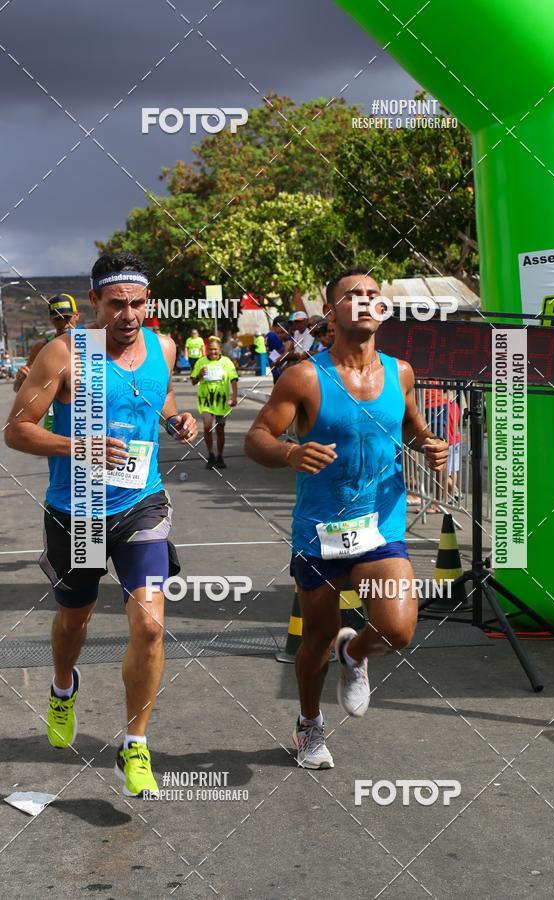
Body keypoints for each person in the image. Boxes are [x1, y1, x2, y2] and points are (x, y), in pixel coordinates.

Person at [4, 252, 198, 796]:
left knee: (151, 625)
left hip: (142, 505)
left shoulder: (163, 347)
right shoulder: (64, 354)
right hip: (79, 510)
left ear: (149, 303)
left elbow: (160, 401)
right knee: (74, 622)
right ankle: (63, 687)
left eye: (138, 303)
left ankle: (134, 745)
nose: (128, 314)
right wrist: (79, 444)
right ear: (95, 302)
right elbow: (16, 431)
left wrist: (178, 420)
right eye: (116, 304)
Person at [245, 266, 447, 769]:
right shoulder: (305, 376)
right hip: (321, 532)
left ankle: (354, 654)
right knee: (315, 635)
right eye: (351, 295)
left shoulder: (401, 372)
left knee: (398, 630)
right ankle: (309, 724)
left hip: (380, 525)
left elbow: (413, 424)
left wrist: (430, 445)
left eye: (372, 294)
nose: (364, 300)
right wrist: (290, 454)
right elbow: (257, 438)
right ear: (330, 313)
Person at [14, 294, 80, 431]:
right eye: (57, 319)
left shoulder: (93, 342)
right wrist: (21, 378)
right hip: (55, 418)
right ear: (51, 320)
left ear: (77, 315)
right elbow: (18, 389)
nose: (63, 324)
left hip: (90, 416)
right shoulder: (41, 347)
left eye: (67, 318)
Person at [191, 336, 238, 469]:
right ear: (207, 350)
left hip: (222, 402)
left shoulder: (227, 362)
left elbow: (234, 380)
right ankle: (211, 454)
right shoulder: (201, 362)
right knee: (207, 427)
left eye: (215, 350)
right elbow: (193, 382)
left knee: (220, 429)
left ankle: (220, 456)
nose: (213, 352)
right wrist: (199, 375)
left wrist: (234, 397)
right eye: (211, 350)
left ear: (220, 350)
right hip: (206, 401)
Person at [265, 316, 290, 382]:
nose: (279, 335)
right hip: (279, 369)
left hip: (275, 367)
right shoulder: (272, 336)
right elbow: (281, 353)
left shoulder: (269, 335)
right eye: (278, 332)